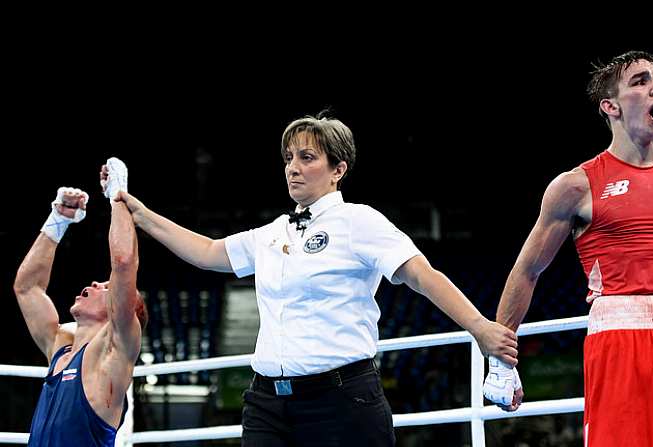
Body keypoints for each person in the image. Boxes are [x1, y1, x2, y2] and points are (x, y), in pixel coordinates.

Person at [116, 113, 518, 446]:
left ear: (338, 170)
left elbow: (421, 275)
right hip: (267, 403)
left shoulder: (358, 221)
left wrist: (480, 327)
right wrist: (139, 212)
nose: (293, 167)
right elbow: (206, 253)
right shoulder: (275, 231)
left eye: (307, 157)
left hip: (340, 401)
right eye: (289, 157)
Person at [482, 51, 653, 446]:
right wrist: (501, 360)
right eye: (640, 81)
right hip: (620, 344)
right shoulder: (576, 186)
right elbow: (527, 271)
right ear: (611, 107)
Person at [14, 158, 148, 446]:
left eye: (107, 287)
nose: (95, 284)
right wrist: (57, 223)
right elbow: (27, 288)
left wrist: (118, 196)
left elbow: (124, 262)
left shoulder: (114, 353)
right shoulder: (59, 346)